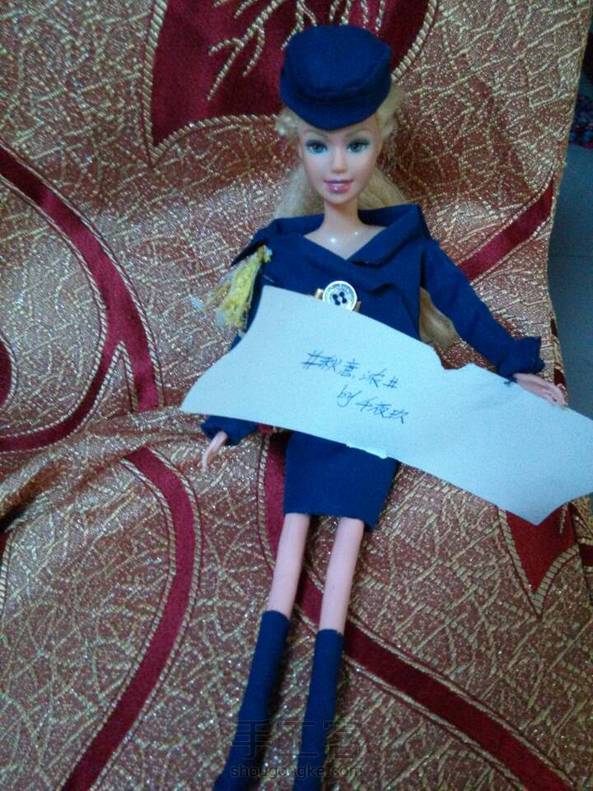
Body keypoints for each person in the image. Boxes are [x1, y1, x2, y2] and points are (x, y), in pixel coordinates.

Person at [196, 25, 566, 790]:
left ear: (380, 141)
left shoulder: (405, 244)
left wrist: (512, 364)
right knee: (285, 571)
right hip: (311, 422)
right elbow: (256, 340)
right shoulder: (281, 251)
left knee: (337, 585)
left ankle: (308, 765)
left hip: (375, 423)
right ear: (296, 144)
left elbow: (464, 310)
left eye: (355, 145)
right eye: (319, 146)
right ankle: (241, 758)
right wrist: (231, 415)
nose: (337, 165)